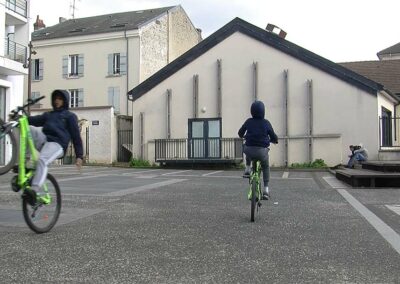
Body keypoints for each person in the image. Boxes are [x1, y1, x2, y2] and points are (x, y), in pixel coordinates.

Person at [27, 89, 83, 204]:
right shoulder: (49, 115)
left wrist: (79, 156)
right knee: (28, 129)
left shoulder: (69, 116)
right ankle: (26, 162)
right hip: (45, 141)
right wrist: (20, 119)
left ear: (65, 101)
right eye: (55, 98)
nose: (57, 101)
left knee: (43, 160)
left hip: (58, 144)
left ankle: (34, 190)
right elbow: (34, 120)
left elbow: (76, 137)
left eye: (60, 99)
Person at [238, 100, 278, 200]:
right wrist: (274, 140)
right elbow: (273, 136)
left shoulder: (248, 121)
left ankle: (247, 169)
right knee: (265, 166)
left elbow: (240, 133)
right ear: (263, 111)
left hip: (249, 150)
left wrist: (243, 135)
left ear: (252, 111)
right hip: (262, 152)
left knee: (247, 147)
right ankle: (266, 190)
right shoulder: (266, 123)